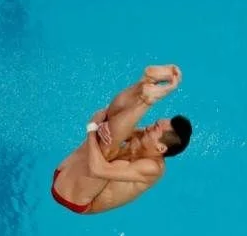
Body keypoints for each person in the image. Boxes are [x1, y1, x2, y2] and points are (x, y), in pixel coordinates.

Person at [51, 65, 193, 214]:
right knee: (109, 125)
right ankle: (144, 84)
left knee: (108, 148)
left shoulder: (153, 168)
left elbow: (97, 169)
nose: (149, 126)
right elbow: (111, 117)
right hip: (64, 170)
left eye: (155, 128)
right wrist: (101, 122)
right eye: (155, 123)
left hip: (74, 198)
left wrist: (92, 129)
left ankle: (146, 102)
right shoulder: (144, 136)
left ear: (161, 148)